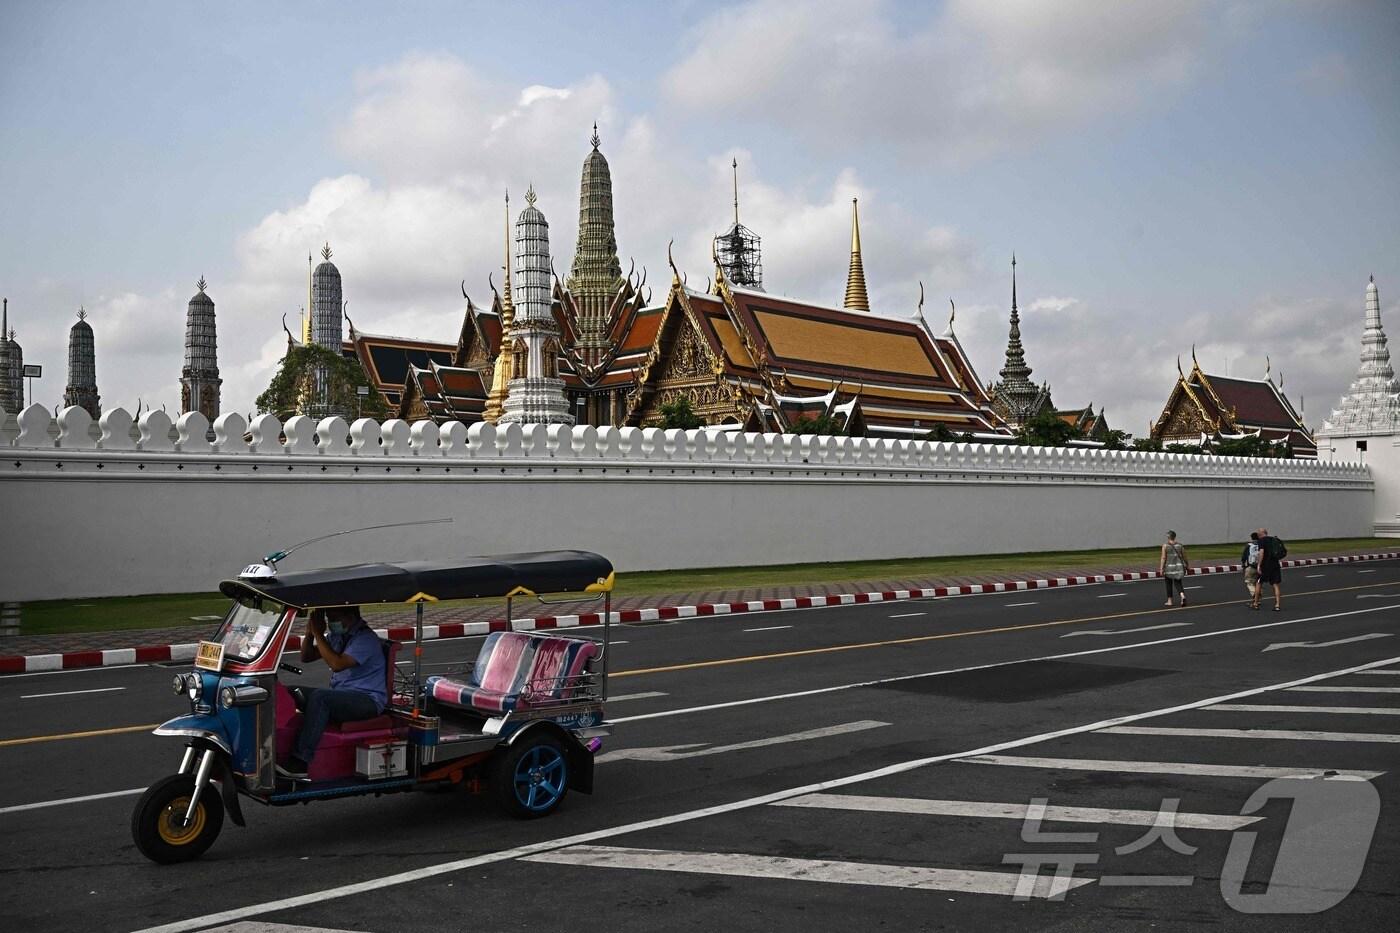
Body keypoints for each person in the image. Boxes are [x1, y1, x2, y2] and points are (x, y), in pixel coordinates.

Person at [277, 606, 387, 780]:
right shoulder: (339, 636)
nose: (330, 623)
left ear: (350, 616)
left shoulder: (365, 639)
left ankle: (300, 761)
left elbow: (337, 664)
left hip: (367, 700)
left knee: (321, 698)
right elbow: (306, 657)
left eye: (334, 618)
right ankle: (278, 747)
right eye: (328, 618)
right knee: (290, 692)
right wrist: (310, 633)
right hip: (344, 696)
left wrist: (319, 634)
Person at [1255, 527, 1283, 611]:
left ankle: (1255, 603)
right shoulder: (1273, 539)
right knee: (1275, 584)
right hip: (1275, 564)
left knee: (1259, 583)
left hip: (1265, 565)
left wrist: (1259, 565)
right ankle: (1277, 605)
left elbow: (1261, 552)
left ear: (1260, 534)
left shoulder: (1262, 541)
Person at [1159, 530, 1189, 607]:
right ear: (1174, 536)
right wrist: (1187, 565)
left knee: (1168, 583)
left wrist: (1161, 568)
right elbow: (1184, 557)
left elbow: (1163, 558)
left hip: (1169, 568)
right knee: (1178, 583)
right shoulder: (1180, 545)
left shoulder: (1165, 546)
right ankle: (1182, 596)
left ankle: (1170, 601)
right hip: (1179, 567)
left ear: (1168, 537)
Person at [1242, 531, 1261, 604]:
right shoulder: (1261, 545)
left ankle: (1254, 594)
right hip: (1260, 567)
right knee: (1258, 583)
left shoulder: (1249, 545)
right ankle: (1257, 600)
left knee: (1249, 582)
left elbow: (1244, 557)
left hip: (1251, 567)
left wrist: (1243, 565)